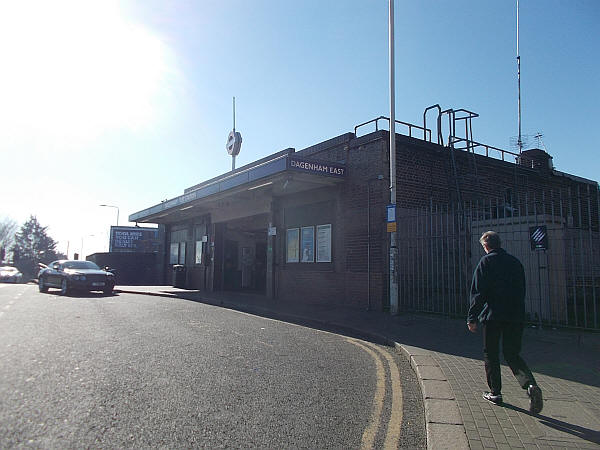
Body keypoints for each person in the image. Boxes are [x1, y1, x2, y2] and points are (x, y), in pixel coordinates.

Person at [467, 230, 543, 414]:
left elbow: (479, 293)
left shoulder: (486, 262)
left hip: (493, 316)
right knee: (512, 353)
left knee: (491, 353)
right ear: (499, 243)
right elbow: (522, 289)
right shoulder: (515, 262)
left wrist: (472, 317)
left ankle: (495, 393)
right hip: (515, 315)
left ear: (486, 246)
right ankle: (530, 385)